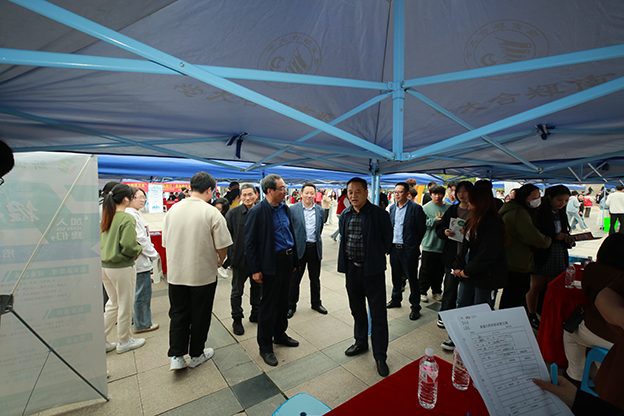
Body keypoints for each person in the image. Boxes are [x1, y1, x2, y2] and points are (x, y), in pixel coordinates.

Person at [162, 172, 232, 371]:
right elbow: (223, 245)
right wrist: (220, 260)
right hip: (202, 275)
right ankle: (196, 354)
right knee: (200, 315)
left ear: (191, 187)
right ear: (210, 190)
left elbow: (166, 242)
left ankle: (176, 356)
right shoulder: (211, 212)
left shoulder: (173, 210)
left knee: (178, 313)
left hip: (176, 274)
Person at [338, 177, 393, 377]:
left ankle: (380, 355)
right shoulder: (345, 215)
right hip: (352, 270)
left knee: (378, 314)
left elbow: (388, 241)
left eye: (357, 191)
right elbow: (344, 239)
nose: (353, 195)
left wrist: (374, 257)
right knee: (357, 310)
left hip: (373, 272)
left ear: (366, 192)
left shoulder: (379, 214)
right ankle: (360, 342)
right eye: (350, 192)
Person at [245, 174, 300, 367]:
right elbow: (250, 244)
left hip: (287, 260)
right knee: (268, 305)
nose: (285, 191)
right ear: (269, 191)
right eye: (282, 188)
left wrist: (294, 259)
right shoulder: (257, 212)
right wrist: (255, 269)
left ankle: (280, 334)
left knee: (284, 301)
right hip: (270, 263)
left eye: (285, 188)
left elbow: (290, 234)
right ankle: (265, 347)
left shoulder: (285, 208)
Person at [563, 233, 624, 384]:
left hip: (603, 331)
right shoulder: (620, 275)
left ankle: (575, 376)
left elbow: (587, 291)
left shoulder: (594, 269)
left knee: (570, 334)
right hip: (617, 338)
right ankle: (595, 375)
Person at [100, 184, 145, 354]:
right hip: (121, 266)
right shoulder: (126, 218)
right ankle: (124, 340)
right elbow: (128, 245)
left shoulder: (108, 215)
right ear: (126, 199)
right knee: (125, 304)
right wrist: (138, 249)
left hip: (105, 266)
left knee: (113, 304)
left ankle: (101, 339)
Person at [453, 185, 507, 309]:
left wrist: (468, 270)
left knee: (481, 307)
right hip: (468, 271)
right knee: (462, 303)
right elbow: (465, 247)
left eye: (470, 198)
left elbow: (488, 253)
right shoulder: (472, 219)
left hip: (485, 275)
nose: (467, 200)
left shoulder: (493, 223)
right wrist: (459, 265)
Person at [527, 185, 574, 329]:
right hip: (543, 252)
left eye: (566, 201)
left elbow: (563, 231)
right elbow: (536, 234)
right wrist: (554, 236)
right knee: (536, 286)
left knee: (554, 287)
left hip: (559, 252)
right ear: (549, 197)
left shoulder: (561, 213)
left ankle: (550, 314)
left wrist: (568, 239)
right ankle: (532, 314)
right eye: (560, 200)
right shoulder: (539, 213)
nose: (562, 203)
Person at [499, 184, 551, 310]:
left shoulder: (513, 210)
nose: (538, 200)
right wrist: (548, 240)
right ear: (524, 197)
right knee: (515, 296)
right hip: (518, 260)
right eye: (535, 197)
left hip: (512, 258)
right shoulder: (519, 213)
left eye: (539, 196)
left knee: (511, 295)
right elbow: (533, 237)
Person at [435, 181, 473, 330]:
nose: (461, 194)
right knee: (450, 287)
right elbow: (440, 228)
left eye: (465, 191)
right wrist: (444, 232)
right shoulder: (452, 209)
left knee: (467, 291)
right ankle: (444, 315)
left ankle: (464, 318)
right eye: (459, 191)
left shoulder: (475, 211)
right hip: (452, 255)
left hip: (469, 257)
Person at [386, 182, 426, 320]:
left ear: (407, 193)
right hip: (394, 248)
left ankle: (415, 306)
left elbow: (421, 229)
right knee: (396, 276)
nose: (397, 194)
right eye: (395, 192)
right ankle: (396, 299)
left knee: (412, 278)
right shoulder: (392, 208)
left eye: (400, 192)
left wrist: (413, 245)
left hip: (408, 250)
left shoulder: (415, 208)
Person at [287, 183, 327, 319]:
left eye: (312, 193)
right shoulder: (293, 210)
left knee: (315, 278)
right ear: (301, 194)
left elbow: (319, 229)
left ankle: (316, 303)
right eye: (306, 193)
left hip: (314, 248)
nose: (309, 195)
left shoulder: (320, 210)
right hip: (299, 249)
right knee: (294, 280)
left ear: (315, 194)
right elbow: (290, 230)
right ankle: (291, 305)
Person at [225, 184, 260, 336]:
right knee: (236, 292)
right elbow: (226, 237)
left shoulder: (262, 212)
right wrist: (230, 257)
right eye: (244, 195)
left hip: (257, 261)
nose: (247, 198)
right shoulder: (233, 213)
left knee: (257, 289)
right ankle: (237, 319)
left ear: (256, 195)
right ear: (240, 196)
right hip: (239, 260)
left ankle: (256, 312)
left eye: (250, 194)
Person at [126, 188, 160, 334]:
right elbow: (140, 239)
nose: (142, 200)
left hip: (140, 260)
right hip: (140, 261)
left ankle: (137, 319)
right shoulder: (131, 215)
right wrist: (153, 253)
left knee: (138, 292)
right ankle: (142, 324)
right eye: (138, 197)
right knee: (142, 294)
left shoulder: (134, 213)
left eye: (143, 197)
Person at [419, 185, 450, 303]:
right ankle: (422, 291)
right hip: (429, 244)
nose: (437, 196)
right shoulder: (425, 208)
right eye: (434, 194)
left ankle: (437, 291)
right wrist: (435, 220)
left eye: (440, 194)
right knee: (426, 270)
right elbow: (422, 223)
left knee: (439, 271)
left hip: (443, 245)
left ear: (444, 194)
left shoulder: (449, 207)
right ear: (430, 194)